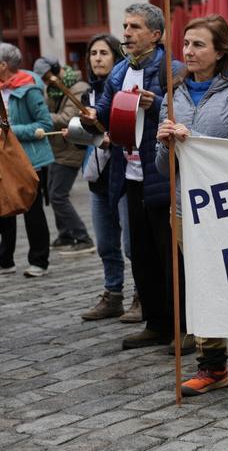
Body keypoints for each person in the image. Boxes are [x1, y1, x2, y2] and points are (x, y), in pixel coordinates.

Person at [154, 15, 228, 402]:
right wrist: (165, 145)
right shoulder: (174, 93)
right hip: (189, 208)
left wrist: (193, 137)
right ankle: (212, 366)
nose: (188, 51)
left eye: (198, 44)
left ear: (220, 51)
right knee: (203, 287)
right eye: (185, 43)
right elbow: (162, 167)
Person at [82, 3, 186, 352]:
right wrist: (91, 117)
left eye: (135, 27)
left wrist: (155, 104)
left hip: (161, 176)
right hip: (128, 174)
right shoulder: (119, 71)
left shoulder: (172, 70)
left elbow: (185, 116)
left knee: (171, 256)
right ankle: (156, 323)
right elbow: (106, 114)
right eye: (125, 26)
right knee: (141, 254)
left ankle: (184, 327)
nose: (126, 33)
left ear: (155, 35)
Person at [79, 33, 141, 322]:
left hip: (123, 175)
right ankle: (112, 294)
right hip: (98, 178)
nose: (98, 58)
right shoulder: (86, 96)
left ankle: (142, 295)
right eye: (93, 54)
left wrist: (108, 138)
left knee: (132, 245)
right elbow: (85, 138)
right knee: (106, 244)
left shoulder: (125, 88)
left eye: (104, 53)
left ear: (115, 59)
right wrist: (78, 131)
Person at [32, 56, 96, 256]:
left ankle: (83, 237)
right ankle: (65, 234)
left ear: (55, 70)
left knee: (58, 195)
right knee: (52, 193)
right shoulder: (52, 89)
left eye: (46, 76)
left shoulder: (78, 88)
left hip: (71, 149)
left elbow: (68, 119)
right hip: (56, 149)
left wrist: (40, 116)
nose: (44, 81)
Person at [0, 43, 54, 278]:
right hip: (5, 158)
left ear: (3, 66)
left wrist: (10, 130)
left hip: (30, 159)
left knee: (32, 210)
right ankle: (6, 259)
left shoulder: (28, 88)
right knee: (4, 206)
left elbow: (45, 124)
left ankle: (38, 260)